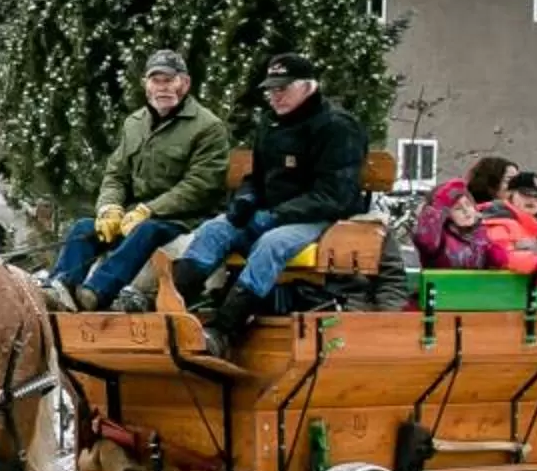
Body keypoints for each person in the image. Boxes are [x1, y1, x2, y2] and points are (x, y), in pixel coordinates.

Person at [167, 51, 371, 355]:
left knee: (271, 244)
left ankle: (224, 330)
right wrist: (245, 199)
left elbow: (335, 194)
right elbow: (257, 176)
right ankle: (171, 309)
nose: (275, 96)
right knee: (214, 230)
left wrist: (277, 214)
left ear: (308, 86)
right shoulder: (271, 123)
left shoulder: (338, 127)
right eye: (271, 90)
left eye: (283, 88)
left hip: (317, 217)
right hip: (270, 210)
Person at [44, 49, 231, 312]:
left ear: (185, 83)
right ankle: (59, 289)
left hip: (183, 219)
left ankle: (96, 293)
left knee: (147, 230)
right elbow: (116, 175)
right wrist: (109, 208)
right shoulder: (134, 123)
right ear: (146, 85)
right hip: (135, 216)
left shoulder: (208, 127)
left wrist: (149, 210)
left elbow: (200, 185)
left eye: (170, 80)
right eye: (156, 80)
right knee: (84, 228)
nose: (162, 87)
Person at [413, 155, 516, 270]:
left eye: (468, 205)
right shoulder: (440, 238)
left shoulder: (480, 234)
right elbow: (426, 239)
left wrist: (495, 256)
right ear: (447, 215)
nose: (466, 211)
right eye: (458, 208)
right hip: (444, 281)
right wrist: (439, 205)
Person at [480, 170, 537, 285]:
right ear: (510, 194)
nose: (532, 200)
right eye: (525, 194)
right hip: (498, 289)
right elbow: (504, 257)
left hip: (524, 291)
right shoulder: (500, 221)